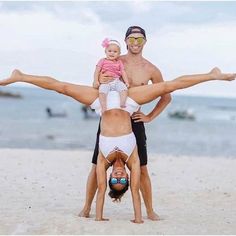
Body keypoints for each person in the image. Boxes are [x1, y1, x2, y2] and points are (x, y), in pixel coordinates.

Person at [0, 67, 235, 223]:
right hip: (128, 102)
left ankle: (20, 76)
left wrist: (98, 217)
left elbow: (102, 191)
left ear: (111, 176)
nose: (121, 176)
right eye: (123, 180)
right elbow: (135, 190)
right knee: (168, 86)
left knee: (61, 87)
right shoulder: (132, 159)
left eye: (116, 179)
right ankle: (213, 75)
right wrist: (138, 219)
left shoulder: (104, 159)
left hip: (100, 104)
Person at [80, 26, 172, 221]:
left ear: (145, 42)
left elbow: (166, 97)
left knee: (143, 167)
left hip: (134, 121)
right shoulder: (113, 59)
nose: (135, 43)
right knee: (97, 165)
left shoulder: (151, 69)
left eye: (139, 39)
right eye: (132, 39)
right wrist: (99, 81)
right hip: (110, 122)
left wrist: (149, 117)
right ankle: (87, 208)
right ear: (125, 41)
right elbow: (96, 87)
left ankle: (150, 211)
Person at [93, 38, 130, 113]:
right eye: (109, 51)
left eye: (115, 51)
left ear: (119, 54)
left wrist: (126, 82)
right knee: (102, 92)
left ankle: (122, 103)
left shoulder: (119, 62)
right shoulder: (102, 60)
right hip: (105, 82)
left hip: (116, 81)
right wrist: (96, 80)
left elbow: (123, 72)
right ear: (105, 52)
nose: (112, 53)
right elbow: (97, 71)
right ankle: (103, 107)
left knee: (124, 89)